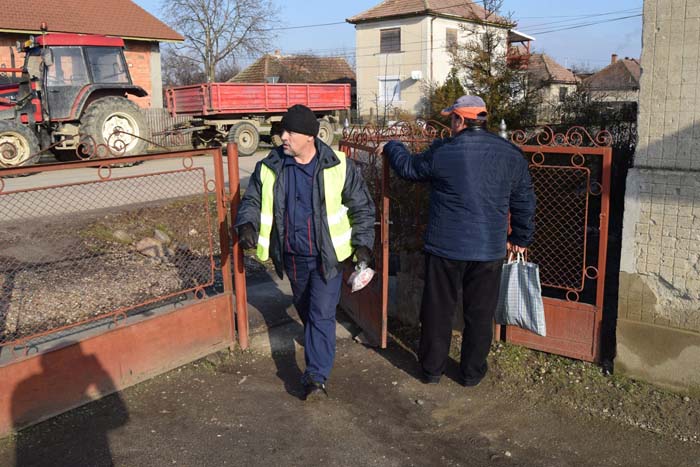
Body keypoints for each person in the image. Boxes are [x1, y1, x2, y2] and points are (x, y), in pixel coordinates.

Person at [377, 95, 536, 387]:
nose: (450, 124)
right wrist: (521, 237)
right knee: (480, 314)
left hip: (446, 247)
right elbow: (524, 200)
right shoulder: (510, 154)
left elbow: (409, 168)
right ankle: (471, 374)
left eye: (452, 119)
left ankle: (431, 370)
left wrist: (393, 146)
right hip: (488, 250)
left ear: (461, 120)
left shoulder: (445, 152)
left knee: (438, 310)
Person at [236, 104, 376, 400]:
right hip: (292, 256)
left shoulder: (338, 165)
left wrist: (363, 244)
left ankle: (315, 377)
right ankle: (317, 343)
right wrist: (247, 223)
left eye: (290, 132)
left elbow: (361, 207)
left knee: (321, 313)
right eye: (282, 131)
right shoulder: (270, 166)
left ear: (309, 136)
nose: (283, 137)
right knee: (306, 308)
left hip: (328, 258)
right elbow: (252, 200)